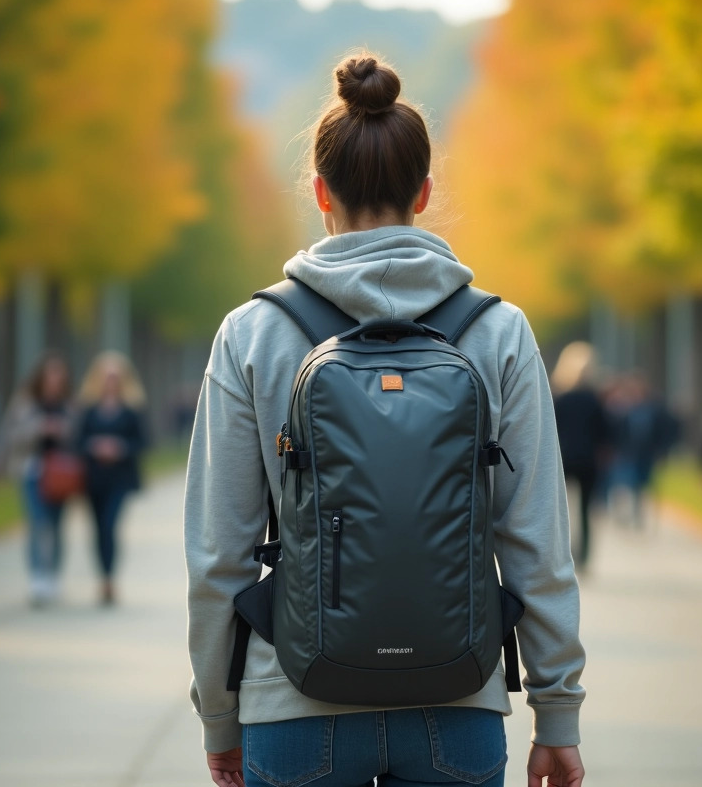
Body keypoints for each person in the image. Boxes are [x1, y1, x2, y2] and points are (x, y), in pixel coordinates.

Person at [185, 54, 585, 787]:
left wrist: (221, 712)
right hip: (457, 700)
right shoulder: (498, 332)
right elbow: (536, 542)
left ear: (319, 192)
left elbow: (219, 558)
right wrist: (556, 712)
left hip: (295, 698)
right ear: (425, 193)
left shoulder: (252, 333)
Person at [0, 353, 74, 606]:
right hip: (32, 471)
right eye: (50, 375)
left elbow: (78, 435)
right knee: (36, 523)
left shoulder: (69, 404)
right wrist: (39, 428)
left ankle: (53, 574)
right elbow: (11, 434)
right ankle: (37, 577)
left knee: (56, 525)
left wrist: (64, 429)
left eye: (59, 376)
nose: (54, 381)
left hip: (61, 475)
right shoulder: (25, 403)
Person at [75, 351, 147, 606]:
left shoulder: (131, 410)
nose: (110, 381)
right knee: (96, 530)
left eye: (115, 376)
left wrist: (120, 448)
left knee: (109, 525)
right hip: (93, 479)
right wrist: (95, 447)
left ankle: (109, 580)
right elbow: (76, 441)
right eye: (106, 376)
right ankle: (103, 576)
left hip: (120, 479)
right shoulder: (88, 409)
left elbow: (143, 442)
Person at [551, 342, 609, 570]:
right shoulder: (594, 399)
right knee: (585, 511)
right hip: (588, 460)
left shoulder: (559, 397)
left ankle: (562, 555)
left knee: (560, 511)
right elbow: (604, 431)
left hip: (562, 458)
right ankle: (583, 556)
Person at [610, 373, 675, 528]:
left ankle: (641, 513)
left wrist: (662, 450)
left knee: (646, 485)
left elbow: (664, 431)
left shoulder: (654, 409)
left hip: (648, 454)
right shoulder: (626, 409)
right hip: (629, 453)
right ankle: (631, 513)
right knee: (629, 484)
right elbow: (619, 431)